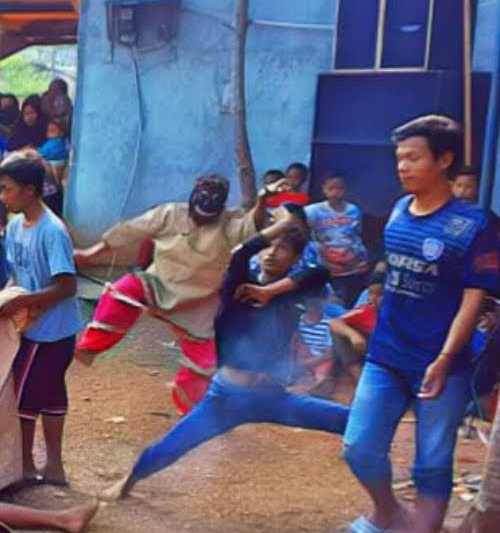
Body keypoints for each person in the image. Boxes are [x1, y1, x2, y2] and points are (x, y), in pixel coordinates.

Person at [340, 115, 500, 533]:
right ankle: (385, 509)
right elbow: (393, 279)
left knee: (431, 463)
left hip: (444, 365)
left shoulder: (474, 225)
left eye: (413, 157)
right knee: (359, 447)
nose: (403, 167)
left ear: (444, 160)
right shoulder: (398, 212)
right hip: (388, 355)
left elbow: (475, 300)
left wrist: (446, 357)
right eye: (399, 158)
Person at [102, 206, 349, 500]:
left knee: (351, 419)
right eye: (268, 246)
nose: (271, 253)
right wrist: (278, 226)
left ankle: (379, 457)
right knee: (173, 444)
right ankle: (129, 481)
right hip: (226, 398)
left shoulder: (291, 294)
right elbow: (241, 253)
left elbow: (319, 273)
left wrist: (271, 292)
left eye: (283, 249)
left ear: (295, 258)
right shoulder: (238, 286)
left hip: (270, 396)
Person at [75, 175, 274, 414]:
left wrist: (262, 201)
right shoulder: (170, 213)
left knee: (203, 366)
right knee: (121, 292)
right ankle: (89, 348)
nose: (207, 203)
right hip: (158, 284)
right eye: (203, 196)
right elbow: (129, 230)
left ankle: (192, 414)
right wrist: (90, 253)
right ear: (193, 195)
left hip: (199, 302)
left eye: (214, 199)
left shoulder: (231, 223)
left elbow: (253, 226)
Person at [0, 155, 83, 486]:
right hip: (31, 324)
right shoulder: (16, 227)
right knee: (52, 395)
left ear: (29, 191)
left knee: (25, 400)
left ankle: (27, 466)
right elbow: (18, 273)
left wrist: (23, 301)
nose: (3, 197)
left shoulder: (52, 231)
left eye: (7, 190)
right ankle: (55, 468)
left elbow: (67, 284)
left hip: (50, 331)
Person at [305, 172, 370, 306]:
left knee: (353, 301)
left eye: (339, 188)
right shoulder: (313, 211)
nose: (335, 192)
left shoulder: (354, 210)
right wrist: (316, 247)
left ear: (345, 189)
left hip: (355, 266)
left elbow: (357, 234)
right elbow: (301, 231)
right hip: (329, 266)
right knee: (334, 302)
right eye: (331, 188)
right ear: (324, 189)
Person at [328, 269, 385, 381]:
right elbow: (334, 323)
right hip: (370, 358)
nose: (372, 298)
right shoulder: (365, 311)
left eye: (379, 294)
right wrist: (353, 335)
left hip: (393, 358)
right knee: (340, 333)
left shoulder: (401, 315)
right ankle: (359, 378)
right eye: (370, 293)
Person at [37, 118, 70, 216]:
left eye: (54, 130)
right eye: (49, 129)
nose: (50, 131)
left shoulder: (58, 145)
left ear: (61, 132)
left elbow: (44, 154)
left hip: (52, 185)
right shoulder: (49, 143)